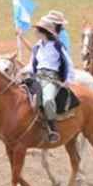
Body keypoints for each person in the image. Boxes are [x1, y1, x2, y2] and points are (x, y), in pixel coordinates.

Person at [20, 11, 76, 144]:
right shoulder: (37, 47)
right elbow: (32, 63)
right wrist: (21, 72)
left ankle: (52, 128)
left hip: (51, 79)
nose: (35, 32)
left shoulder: (57, 46)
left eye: (37, 30)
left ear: (43, 31)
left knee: (48, 101)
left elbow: (68, 63)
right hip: (36, 77)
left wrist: (68, 80)